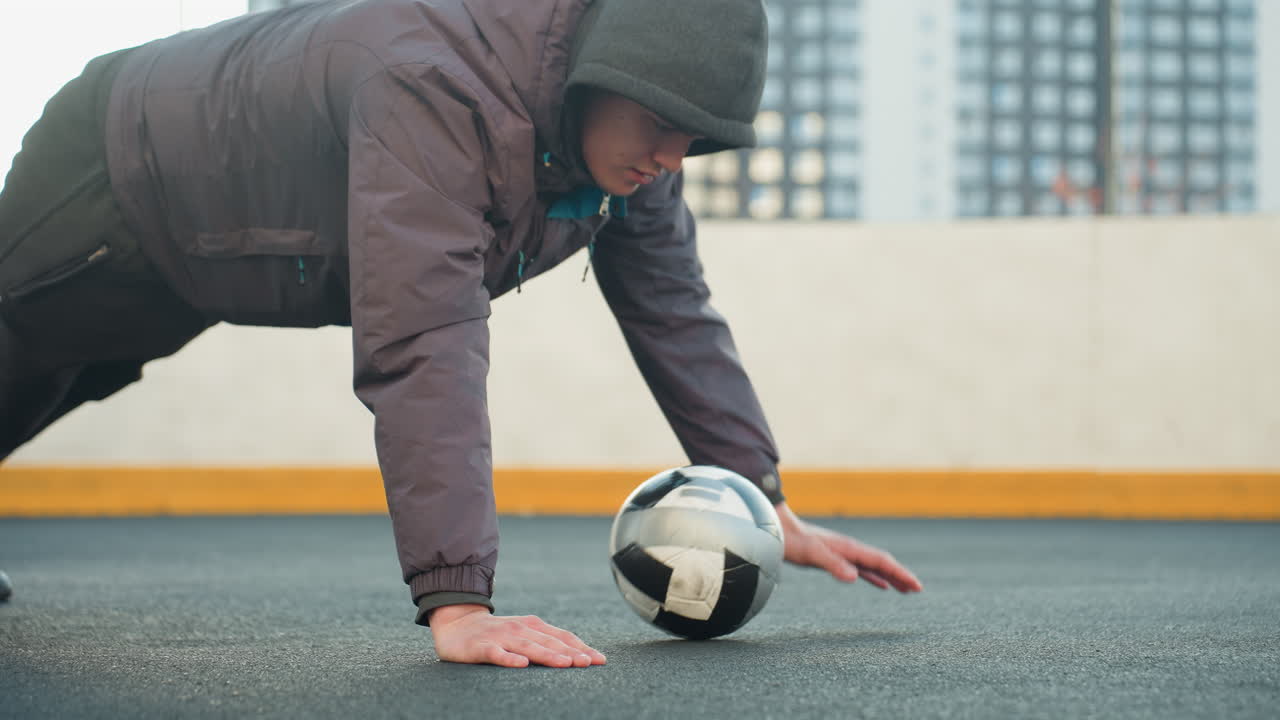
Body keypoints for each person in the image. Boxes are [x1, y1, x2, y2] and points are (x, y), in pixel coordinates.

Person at [0, 0, 923, 666]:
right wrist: (459, 603)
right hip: (122, 159)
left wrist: (761, 501)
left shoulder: (627, 152)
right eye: (659, 125)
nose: (670, 157)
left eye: (695, 138)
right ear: (603, 75)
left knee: (80, 365)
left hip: (213, 249)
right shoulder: (440, 92)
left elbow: (673, 310)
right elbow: (425, 340)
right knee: (20, 349)